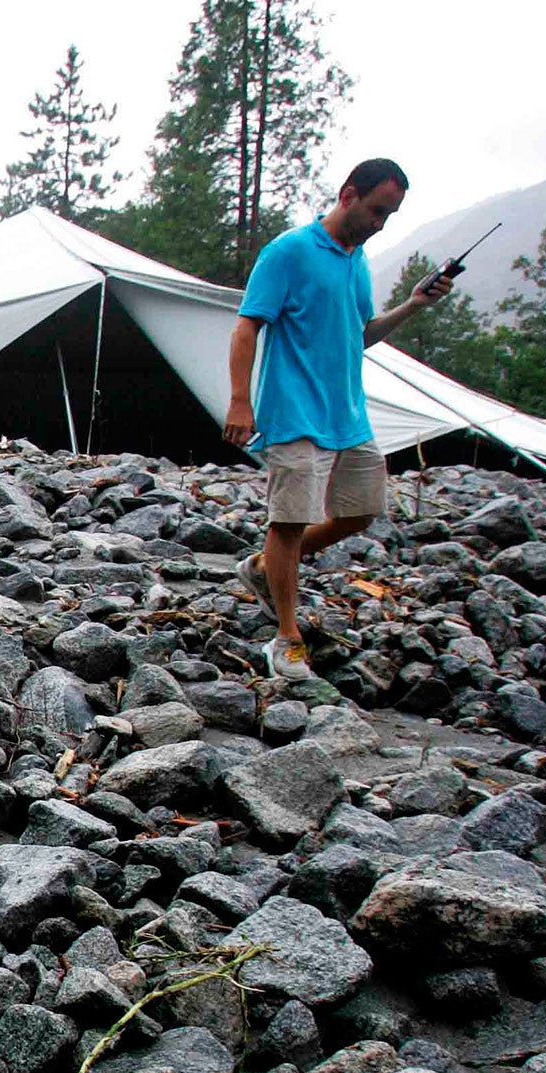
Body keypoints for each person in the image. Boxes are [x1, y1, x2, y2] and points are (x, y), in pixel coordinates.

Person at [223, 157, 452, 681]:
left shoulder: (357, 261)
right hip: (294, 411)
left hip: (348, 412)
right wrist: (240, 400)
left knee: (359, 512)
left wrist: (415, 304)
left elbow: (362, 333)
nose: (381, 224)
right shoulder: (289, 251)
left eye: (390, 216)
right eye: (376, 210)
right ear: (349, 194)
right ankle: (286, 636)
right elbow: (246, 327)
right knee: (289, 522)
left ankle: (261, 570)